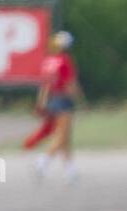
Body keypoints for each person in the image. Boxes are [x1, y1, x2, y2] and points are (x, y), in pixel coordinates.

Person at [32, 31, 80, 183]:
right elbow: (70, 84)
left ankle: (70, 170)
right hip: (63, 100)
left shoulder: (49, 61)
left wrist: (41, 102)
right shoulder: (64, 60)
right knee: (62, 137)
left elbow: (45, 85)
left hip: (51, 100)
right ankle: (43, 160)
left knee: (65, 138)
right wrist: (79, 98)